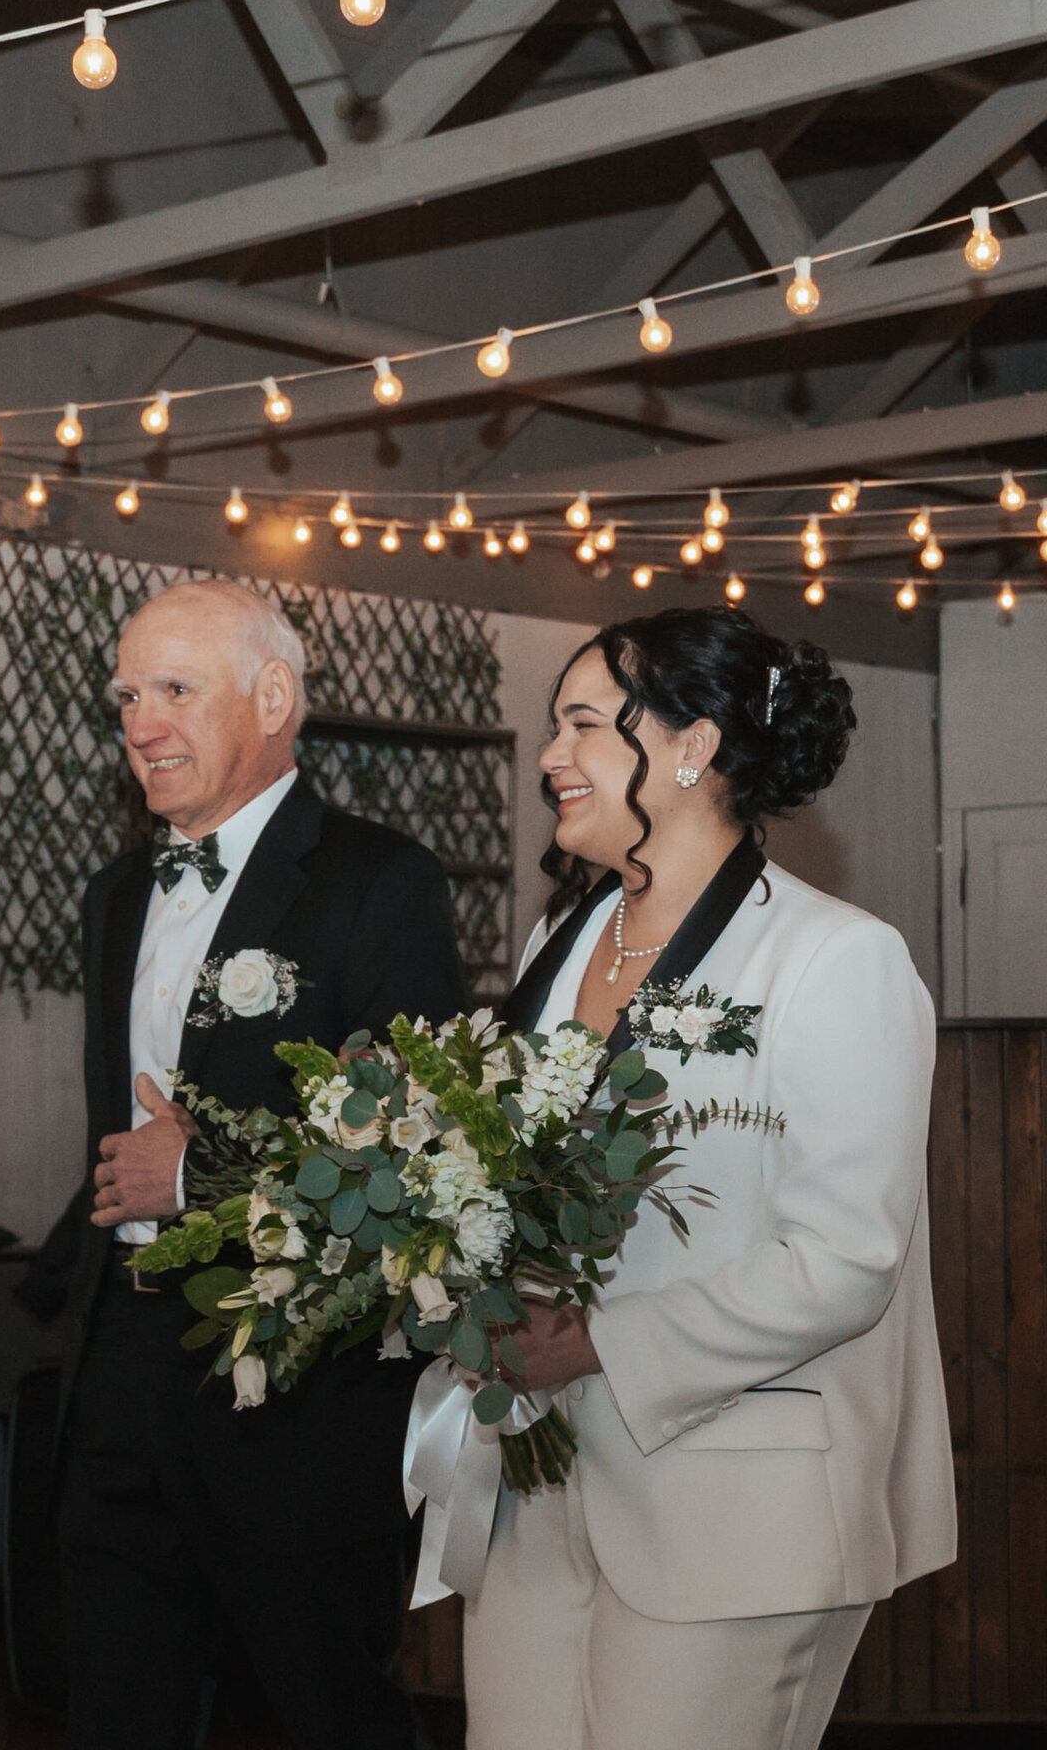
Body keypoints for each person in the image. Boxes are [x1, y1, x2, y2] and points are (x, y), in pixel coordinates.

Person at [464, 606, 955, 1750]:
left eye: (585, 723)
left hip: (739, 1507)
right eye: (554, 726)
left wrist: (592, 1340)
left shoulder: (837, 959)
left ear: (691, 750)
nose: (549, 756)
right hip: (540, 1483)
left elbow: (845, 1263)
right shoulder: (561, 945)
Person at [25, 579, 469, 1750]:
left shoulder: (379, 882)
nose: (140, 721)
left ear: (275, 699)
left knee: (325, 1707)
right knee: (118, 1707)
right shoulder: (118, 895)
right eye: (126, 693)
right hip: (121, 1364)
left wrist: (205, 1182)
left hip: (294, 1386)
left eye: (175, 688)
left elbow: (422, 1161)